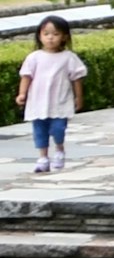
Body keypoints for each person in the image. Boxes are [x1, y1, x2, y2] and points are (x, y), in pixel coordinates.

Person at [20, 15, 86, 175]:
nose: (50, 38)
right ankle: (42, 158)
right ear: (40, 36)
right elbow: (26, 76)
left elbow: (76, 79)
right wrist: (22, 94)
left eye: (55, 34)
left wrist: (78, 97)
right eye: (46, 34)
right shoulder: (34, 57)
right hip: (38, 101)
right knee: (39, 130)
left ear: (64, 37)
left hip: (59, 100)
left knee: (58, 128)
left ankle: (59, 149)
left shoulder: (69, 58)